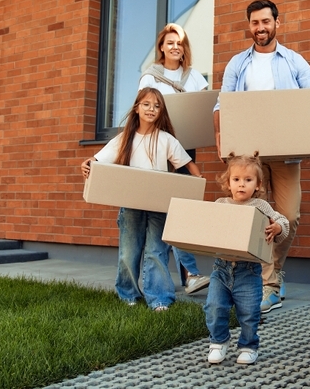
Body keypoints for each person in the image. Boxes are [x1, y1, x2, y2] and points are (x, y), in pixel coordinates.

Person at [212, 0, 310, 313]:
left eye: (266, 21)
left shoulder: (293, 61)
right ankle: (267, 285)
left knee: (288, 217)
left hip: (286, 153)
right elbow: (222, 104)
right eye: (254, 22)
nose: (260, 28)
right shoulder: (239, 63)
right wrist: (220, 136)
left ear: (278, 22)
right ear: (249, 25)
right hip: (248, 155)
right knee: (255, 215)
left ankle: (274, 269)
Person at [80, 87, 201, 311]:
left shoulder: (166, 140)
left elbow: (188, 165)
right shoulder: (123, 139)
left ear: (161, 111)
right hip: (131, 205)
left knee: (157, 252)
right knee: (129, 252)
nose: (151, 109)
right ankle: (128, 295)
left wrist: (198, 183)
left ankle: (160, 299)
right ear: (136, 108)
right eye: (146, 104)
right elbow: (97, 160)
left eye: (156, 106)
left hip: (159, 206)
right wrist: (87, 164)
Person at [140, 23, 211, 295]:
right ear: (161, 47)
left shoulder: (194, 78)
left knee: (180, 210)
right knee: (168, 211)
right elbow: (143, 113)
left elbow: (202, 111)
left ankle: (188, 274)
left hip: (186, 149)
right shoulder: (151, 77)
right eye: (170, 42)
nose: (175, 47)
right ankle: (189, 273)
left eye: (179, 42)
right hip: (158, 150)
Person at [205, 153, 289, 365]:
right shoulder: (220, 203)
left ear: (258, 184)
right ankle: (219, 342)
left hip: (249, 270)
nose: (241, 185)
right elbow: (208, 224)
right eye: (236, 180)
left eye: (248, 180)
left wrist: (278, 226)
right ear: (228, 182)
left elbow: (281, 220)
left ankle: (248, 345)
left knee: (249, 312)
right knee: (215, 306)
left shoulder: (259, 206)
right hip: (221, 268)